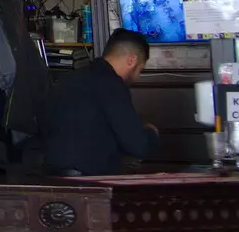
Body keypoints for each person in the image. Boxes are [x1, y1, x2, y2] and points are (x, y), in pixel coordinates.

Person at [42, 28, 159, 176]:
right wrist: (151, 133)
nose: (138, 77)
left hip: (50, 175)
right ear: (132, 60)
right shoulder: (112, 84)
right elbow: (137, 146)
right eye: (140, 70)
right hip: (91, 181)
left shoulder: (67, 79)